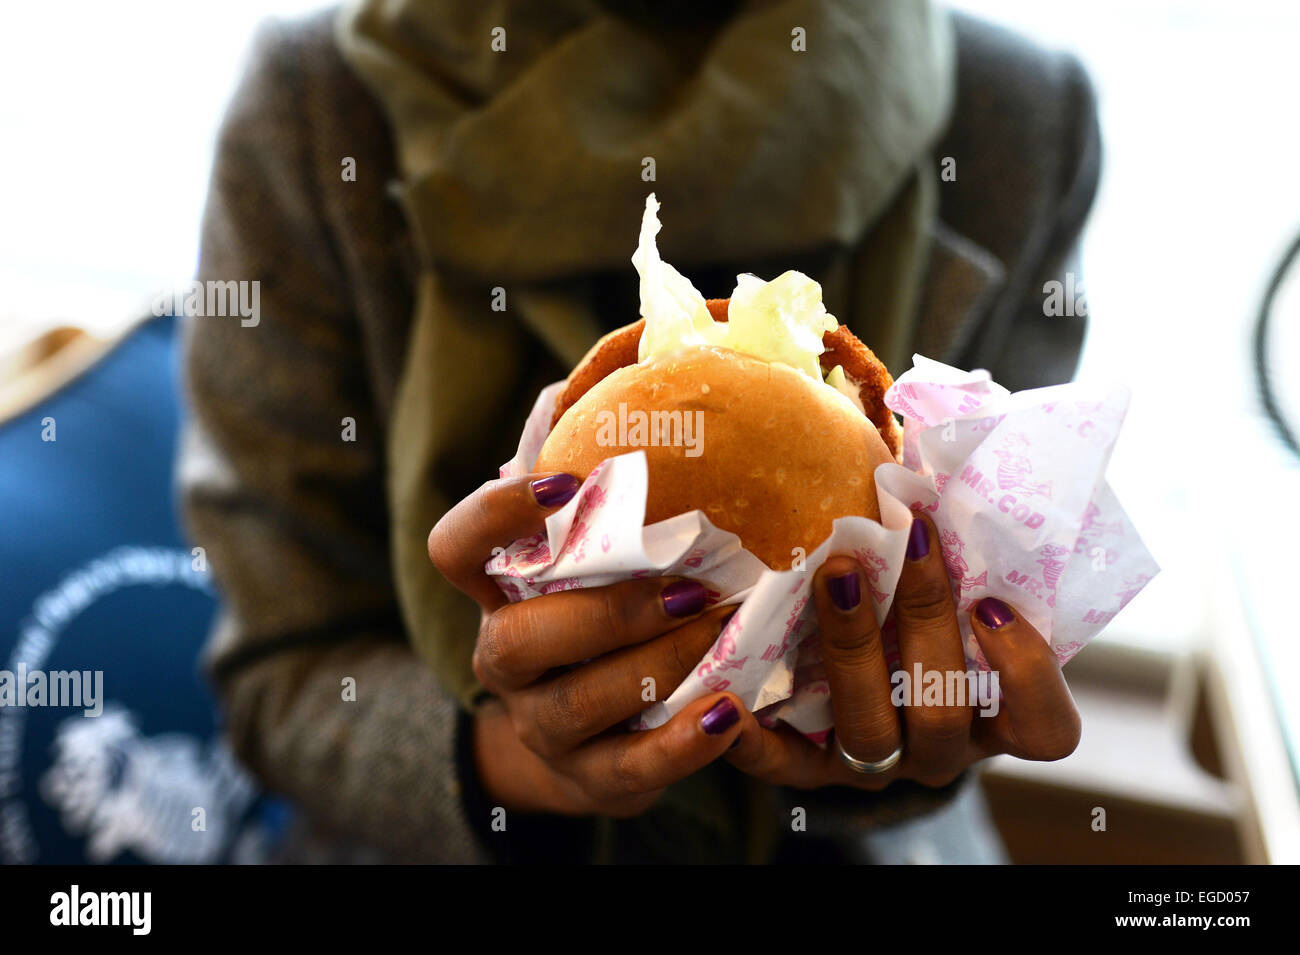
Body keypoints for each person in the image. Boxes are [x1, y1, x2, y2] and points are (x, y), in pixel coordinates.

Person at [182, 0, 1100, 863]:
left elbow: (990, 615)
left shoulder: (1017, 123)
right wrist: (514, 760)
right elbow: (282, 676)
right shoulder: (317, 105)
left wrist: (919, 729)